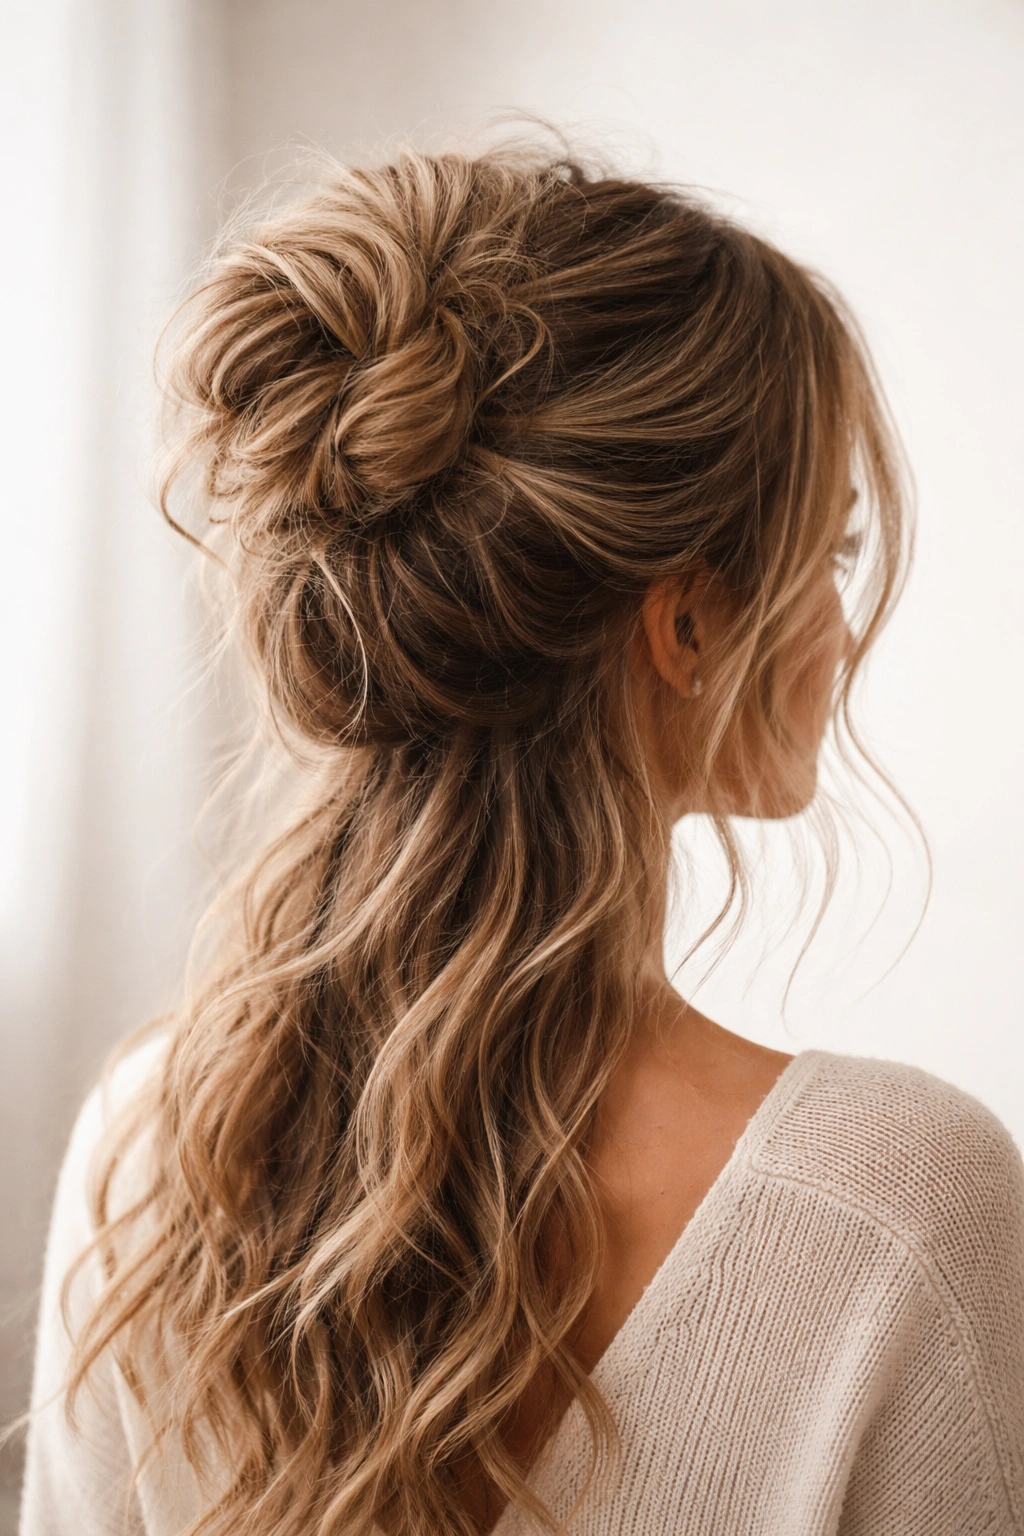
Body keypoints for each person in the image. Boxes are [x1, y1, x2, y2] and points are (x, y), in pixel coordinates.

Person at [19, 145, 1024, 1536]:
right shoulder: (899, 1205)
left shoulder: (156, 1146)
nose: (844, 634)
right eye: (830, 557)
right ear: (686, 629)